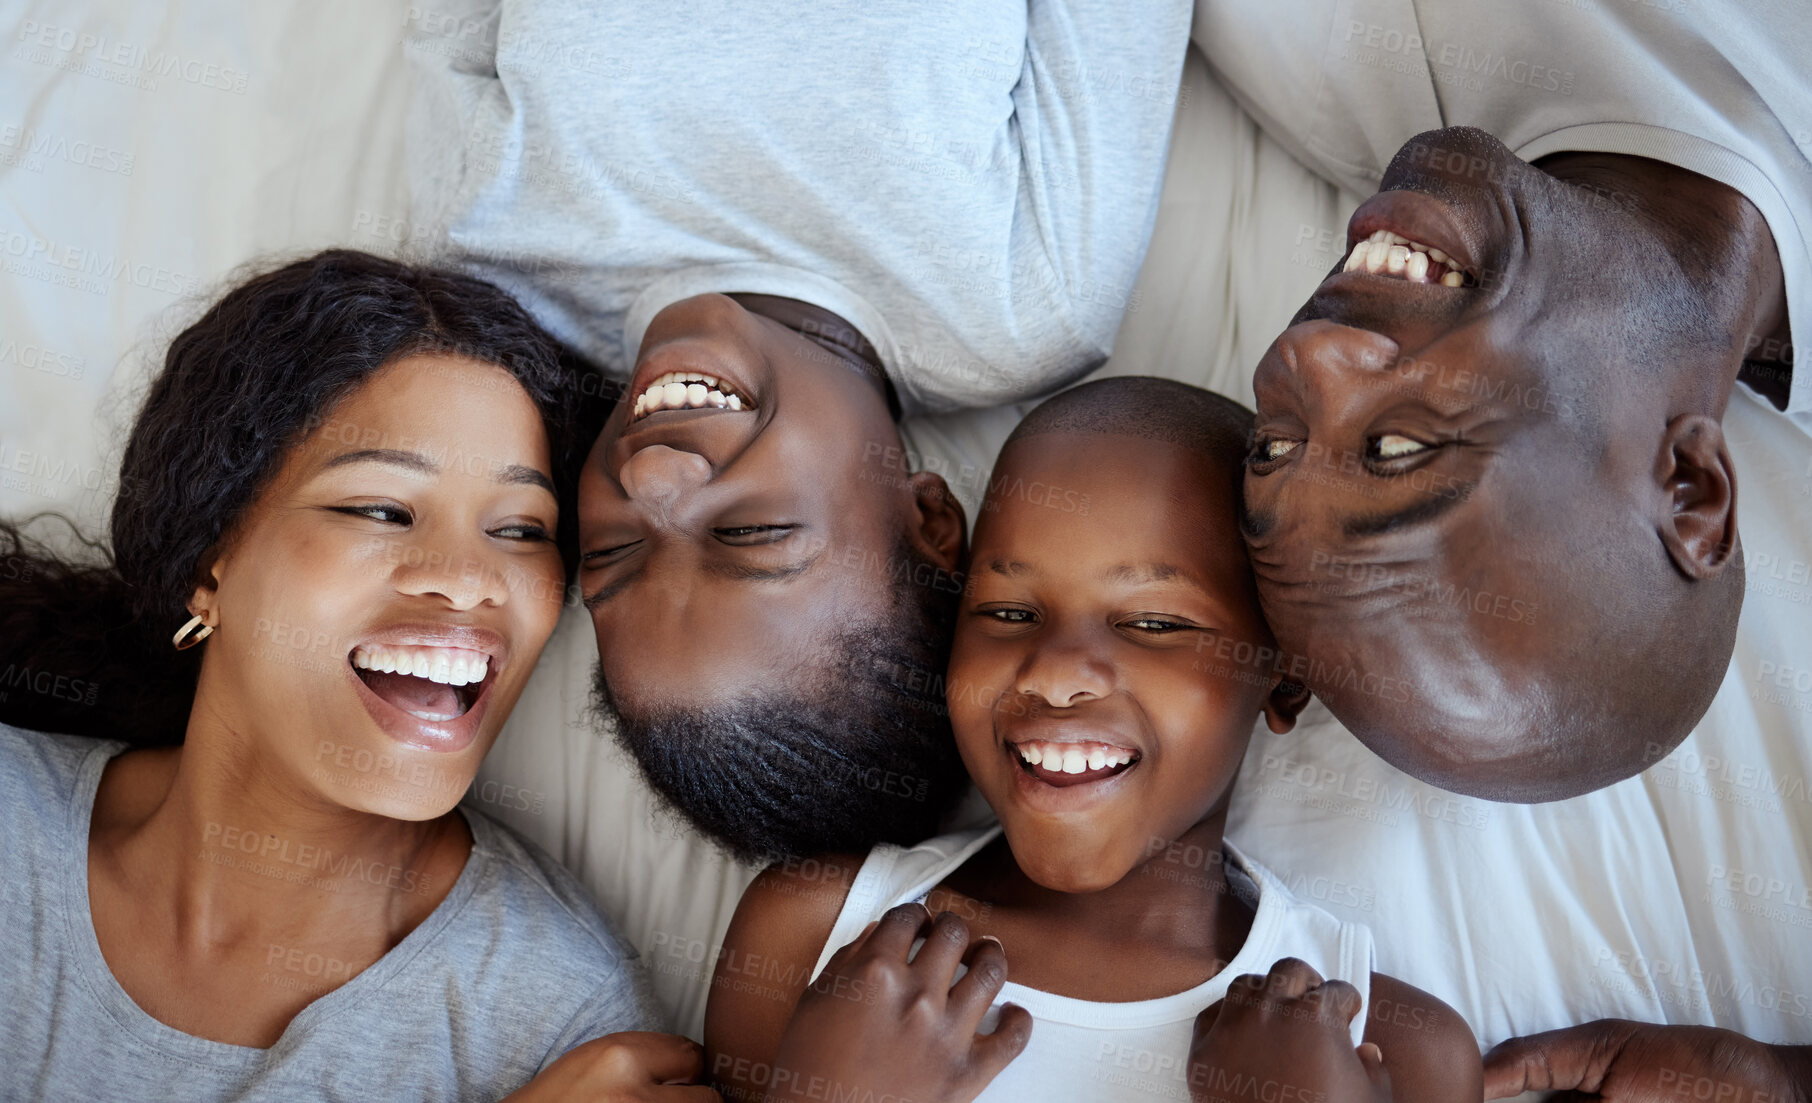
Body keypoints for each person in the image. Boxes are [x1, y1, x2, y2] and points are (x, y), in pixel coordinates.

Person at [402, 0, 1195, 859]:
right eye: (752, 532)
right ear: (929, 519)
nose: (653, 480)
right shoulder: (1026, 304)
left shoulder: (489, 273)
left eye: (610, 553)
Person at [1189, 2, 1812, 1093]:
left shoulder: (1292, 44)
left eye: (1275, 443)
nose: (1306, 353)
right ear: (1690, 487)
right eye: (1394, 447)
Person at [0, 250, 710, 1101]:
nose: (467, 576)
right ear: (211, 566)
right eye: (380, 508)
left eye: (522, 529)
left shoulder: (559, 1023)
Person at [703, 378, 1482, 1101]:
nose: (1055, 673)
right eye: (1008, 612)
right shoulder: (813, 938)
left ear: (1283, 677)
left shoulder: (1399, 1053)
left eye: (1154, 623)